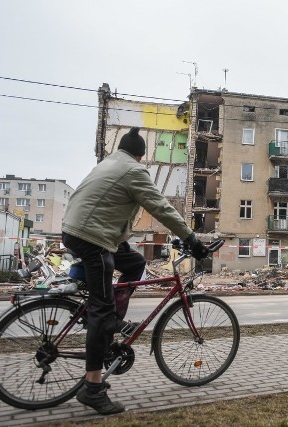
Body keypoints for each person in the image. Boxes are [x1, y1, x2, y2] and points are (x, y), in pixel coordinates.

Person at [62, 127, 208, 415]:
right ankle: (93, 389)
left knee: (136, 263)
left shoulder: (108, 163)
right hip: (93, 238)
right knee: (100, 312)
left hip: (79, 231)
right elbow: (160, 207)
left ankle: (112, 319)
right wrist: (191, 238)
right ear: (141, 155)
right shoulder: (133, 171)